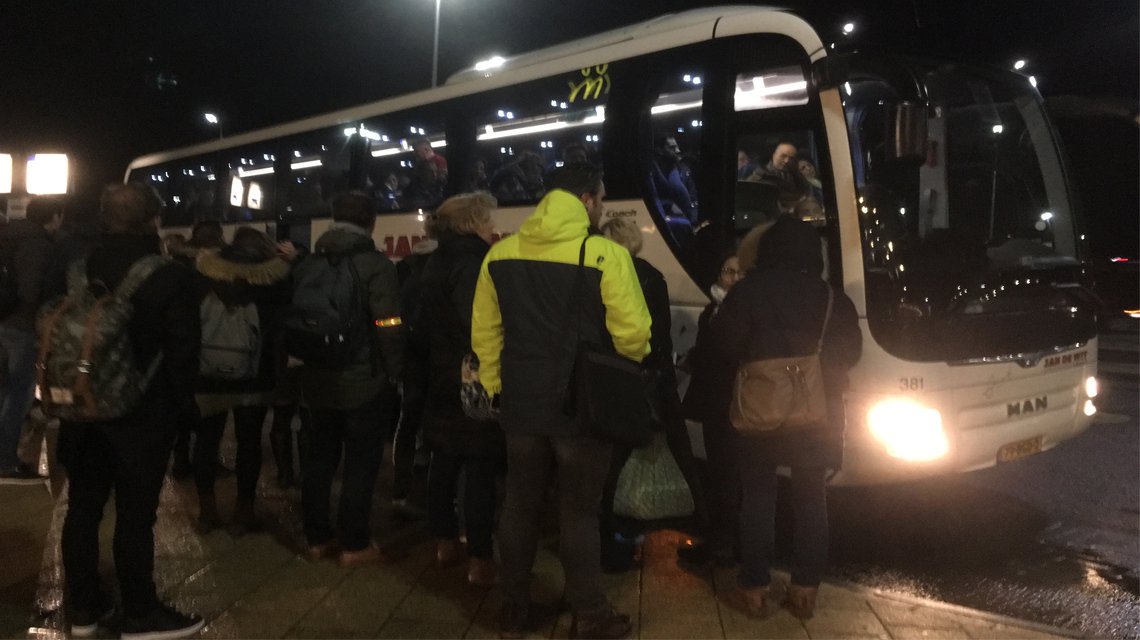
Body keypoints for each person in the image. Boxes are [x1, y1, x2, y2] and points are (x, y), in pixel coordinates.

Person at [471, 163, 651, 639]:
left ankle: (512, 607)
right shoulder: (605, 255)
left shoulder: (499, 254)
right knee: (578, 511)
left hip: (521, 403)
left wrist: (495, 386)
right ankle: (589, 614)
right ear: (588, 200)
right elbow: (634, 335)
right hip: (581, 408)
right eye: (603, 199)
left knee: (519, 504)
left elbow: (485, 334)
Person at [57, 182, 204, 638]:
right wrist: (184, 412)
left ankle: (82, 608)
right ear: (153, 221)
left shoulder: (78, 268)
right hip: (143, 414)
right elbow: (183, 353)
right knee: (136, 516)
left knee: (83, 507)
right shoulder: (171, 275)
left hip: (82, 408)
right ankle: (140, 612)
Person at [709, 215, 861, 620]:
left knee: (757, 497)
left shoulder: (747, 293)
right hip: (818, 414)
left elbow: (722, 346)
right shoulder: (831, 298)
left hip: (761, 411)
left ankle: (755, 588)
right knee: (812, 498)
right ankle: (805, 590)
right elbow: (851, 354)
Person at [295, 191, 405, 568]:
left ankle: (316, 538)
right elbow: (387, 324)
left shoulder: (309, 263)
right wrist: (394, 370)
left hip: (317, 379)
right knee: (361, 463)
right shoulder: (376, 265)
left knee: (319, 459)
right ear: (370, 221)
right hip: (363, 380)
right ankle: (354, 544)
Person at [597, 218, 707, 572]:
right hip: (649, 381)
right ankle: (699, 527)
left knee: (611, 465)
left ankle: (612, 541)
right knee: (677, 454)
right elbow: (659, 336)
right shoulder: (651, 276)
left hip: (610, 381)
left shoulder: (596, 276)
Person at [419, 192, 504, 587]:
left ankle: (443, 542)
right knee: (480, 468)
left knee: (444, 462)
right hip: (471, 378)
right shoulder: (475, 263)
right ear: (473, 222)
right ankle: (480, 557)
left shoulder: (436, 259)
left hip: (439, 375)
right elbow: (479, 326)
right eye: (487, 218)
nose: (492, 225)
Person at [192, 227, 292, 535]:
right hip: (255, 376)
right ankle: (243, 511)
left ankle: (208, 511)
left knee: (207, 441)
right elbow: (281, 327)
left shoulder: (204, 274)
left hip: (208, 374)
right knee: (249, 443)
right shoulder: (274, 280)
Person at [676, 251, 745, 567]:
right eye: (727, 271)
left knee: (729, 473)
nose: (731, 278)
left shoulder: (742, 312)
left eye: (738, 273)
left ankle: (725, 544)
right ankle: (721, 538)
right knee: (719, 471)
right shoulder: (710, 311)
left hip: (735, 403)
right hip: (714, 403)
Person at [0, 196, 64, 483]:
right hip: (21, 325)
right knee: (18, 394)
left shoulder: (8, 236)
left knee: (4, 391)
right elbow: (30, 290)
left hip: (3, 320)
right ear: (54, 217)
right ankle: (5, 461)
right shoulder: (38, 244)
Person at [748, 142, 813, 205]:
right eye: (783, 156)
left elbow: (807, 194)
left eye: (791, 158)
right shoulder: (758, 178)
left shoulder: (797, 176)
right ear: (774, 155)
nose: (787, 161)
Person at [651, 136, 696, 221]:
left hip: (686, 221)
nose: (677, 150)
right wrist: (667, 204)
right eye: (672, 148)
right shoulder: (652, 172)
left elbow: (693, 196)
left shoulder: (683, 170)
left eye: (677, 147)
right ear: (659, 150)